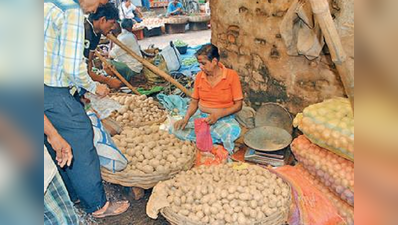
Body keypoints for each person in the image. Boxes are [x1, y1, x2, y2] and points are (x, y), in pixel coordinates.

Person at [44, 0, 130, 218]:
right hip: (52, 90)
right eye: (99, 2)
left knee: (53, 140)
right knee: (81, 137)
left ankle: (72, 193)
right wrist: (94, 87)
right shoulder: (70, 11)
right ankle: (97, 205)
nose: (95, 9)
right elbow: (73, 68)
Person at [173, 44, 243, 153]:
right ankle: (211, 140)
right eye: (199, 63)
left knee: (231, 130)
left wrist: (218, 115)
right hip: (202, 117)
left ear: (214, 61)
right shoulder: (199, 77)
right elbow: (194, 102)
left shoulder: (231, 76)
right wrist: (186, 118)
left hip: (224, 118)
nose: (200, 67)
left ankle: (207, 140)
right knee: (175, 130)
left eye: (203, 63)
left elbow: (238, 105)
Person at [84, 3, 123, 89]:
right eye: (112, 23)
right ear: (103, 20)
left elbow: (89, 67)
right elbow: (82, 71)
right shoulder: (85, 31)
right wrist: (107, 81)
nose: (113, 27)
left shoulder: (96, 34)